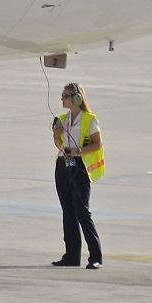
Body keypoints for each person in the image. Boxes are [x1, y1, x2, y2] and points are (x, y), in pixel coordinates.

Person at [50, 81, 104, 269]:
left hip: (80, 167)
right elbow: (60, 145)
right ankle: (71, 256)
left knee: (82, 211)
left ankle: (95, 257)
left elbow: (97, 144)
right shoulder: (63, 119)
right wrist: (56, 135)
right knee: (68, 211)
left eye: (65, 96)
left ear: (76, 98)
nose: (62, 100)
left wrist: (78, 151)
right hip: (63, 167)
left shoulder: (89, 119)